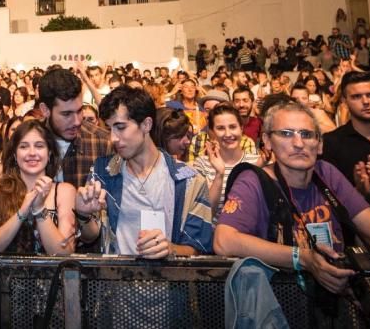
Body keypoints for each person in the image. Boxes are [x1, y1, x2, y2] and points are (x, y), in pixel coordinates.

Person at [214, 101, 370, 305]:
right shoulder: (254, 180)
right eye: (286, 133)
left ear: (319, 144)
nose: (299, 143)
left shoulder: (327, 174)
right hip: (277, 302)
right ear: (267, 141)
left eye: (307, 134)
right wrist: (303, 259)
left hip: (336, 303)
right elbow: (224, 241)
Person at [79, 85, 213, 256]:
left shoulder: (189, 181)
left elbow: (199, 247)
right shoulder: (102, 173)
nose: (113, 138)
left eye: (120, 127)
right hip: (114, 279)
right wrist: (83, 215)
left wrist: (170, 249)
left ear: (146, 124)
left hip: (168, 280)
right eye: (109, 129)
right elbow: (90, 236)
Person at [0, 120, 77, 255]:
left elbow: (64, 253)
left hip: (51, 275)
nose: (32, 153)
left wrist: (39, 209)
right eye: (24, 146)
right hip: (7, 274)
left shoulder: (65, 191)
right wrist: (22, 212)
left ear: (49, 154)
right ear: (14, 154)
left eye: (39, 146)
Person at [36, 68, 111, 188]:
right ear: (45, 110)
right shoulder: (27, 142)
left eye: (79, 110)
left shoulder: (103, 142)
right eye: (67, 114)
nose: (77, 121)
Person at [192, 105, 262, 215]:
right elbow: (206, 214)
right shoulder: (202, 164)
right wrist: (219, 174)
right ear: (212, 132)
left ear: (241, 128)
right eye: (220, 128)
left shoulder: (257, 162)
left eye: (233, 127)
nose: (228, 134)